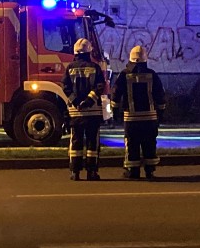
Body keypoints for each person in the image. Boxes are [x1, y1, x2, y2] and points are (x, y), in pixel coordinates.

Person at [112, 44, 166, 179]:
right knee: (149, 144)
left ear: (130, 59)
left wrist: (114, 111)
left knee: (132, 144)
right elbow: (160, 95)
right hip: (149, 118)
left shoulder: (124, 75)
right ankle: (149, 170)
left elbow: (116, 94)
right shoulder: (152, 74)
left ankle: (133, 171)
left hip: (131, 118)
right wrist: (160, 114)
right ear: (145, 59)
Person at [63, 37, 107, 181]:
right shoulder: (95, 67)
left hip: (76, 113)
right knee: (92, 143)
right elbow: (100, 87)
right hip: (93, 112)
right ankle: (92, 172)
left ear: (75, 52)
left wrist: (76, 101)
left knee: (76, 142)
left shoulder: (70, 68)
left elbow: (66, 88)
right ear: (89, 51)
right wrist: (88, 101)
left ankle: (75, 173)